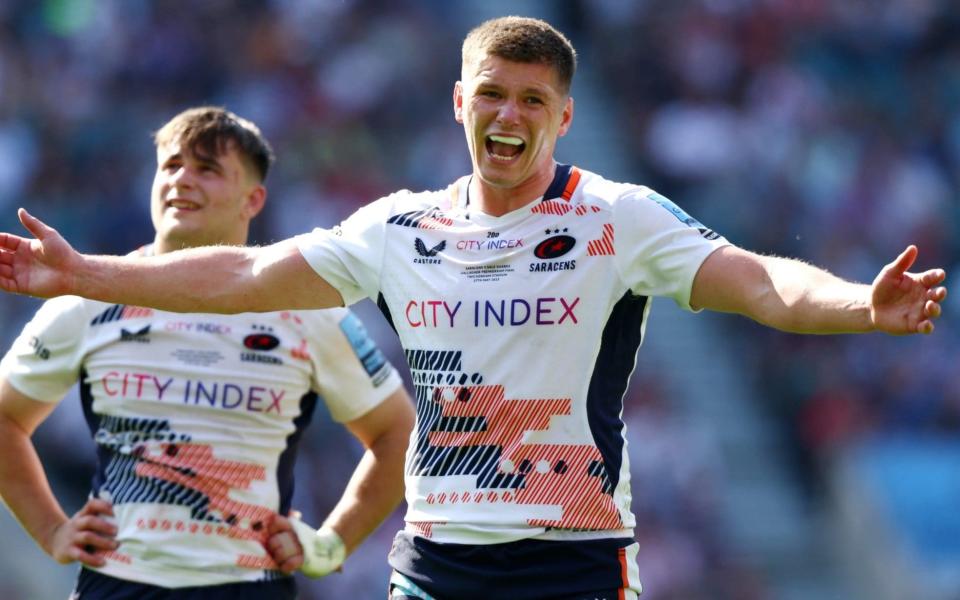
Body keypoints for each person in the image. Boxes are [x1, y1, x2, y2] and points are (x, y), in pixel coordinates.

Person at [0, 16, 948, 600]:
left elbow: (760, 282)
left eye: (532, 100)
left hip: (572, 556)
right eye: (491, 94)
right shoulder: (397, 227)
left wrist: (862, 307)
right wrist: (90, 274)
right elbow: (245, 279)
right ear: (459, 102)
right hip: (438, 558)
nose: (508, 115)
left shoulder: (616, 217)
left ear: (564, 116)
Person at [0, 106, 415, 599]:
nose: (182, 180)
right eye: (171, 166)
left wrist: (330, 544)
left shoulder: (309, 311)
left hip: (246, 586)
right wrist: (52, 530)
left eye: (207, 169)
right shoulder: (88, 298)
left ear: (253, 199)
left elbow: (397, 433)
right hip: (119, 586)